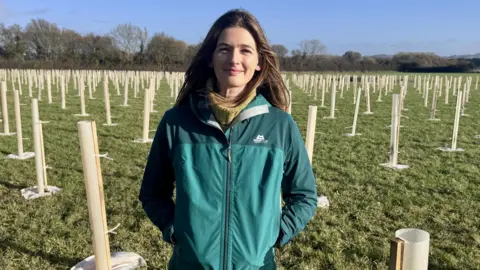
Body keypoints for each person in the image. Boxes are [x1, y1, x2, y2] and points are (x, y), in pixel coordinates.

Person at [139, 8, 318, 270]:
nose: (234, 59)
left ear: (259, 61)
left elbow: (304, 196)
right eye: (224, 48)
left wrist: (274, 234)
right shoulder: (177, 122)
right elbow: (153, 192)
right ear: (211, 57)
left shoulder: (280, 125)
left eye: (245, 50)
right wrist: (175, 229)